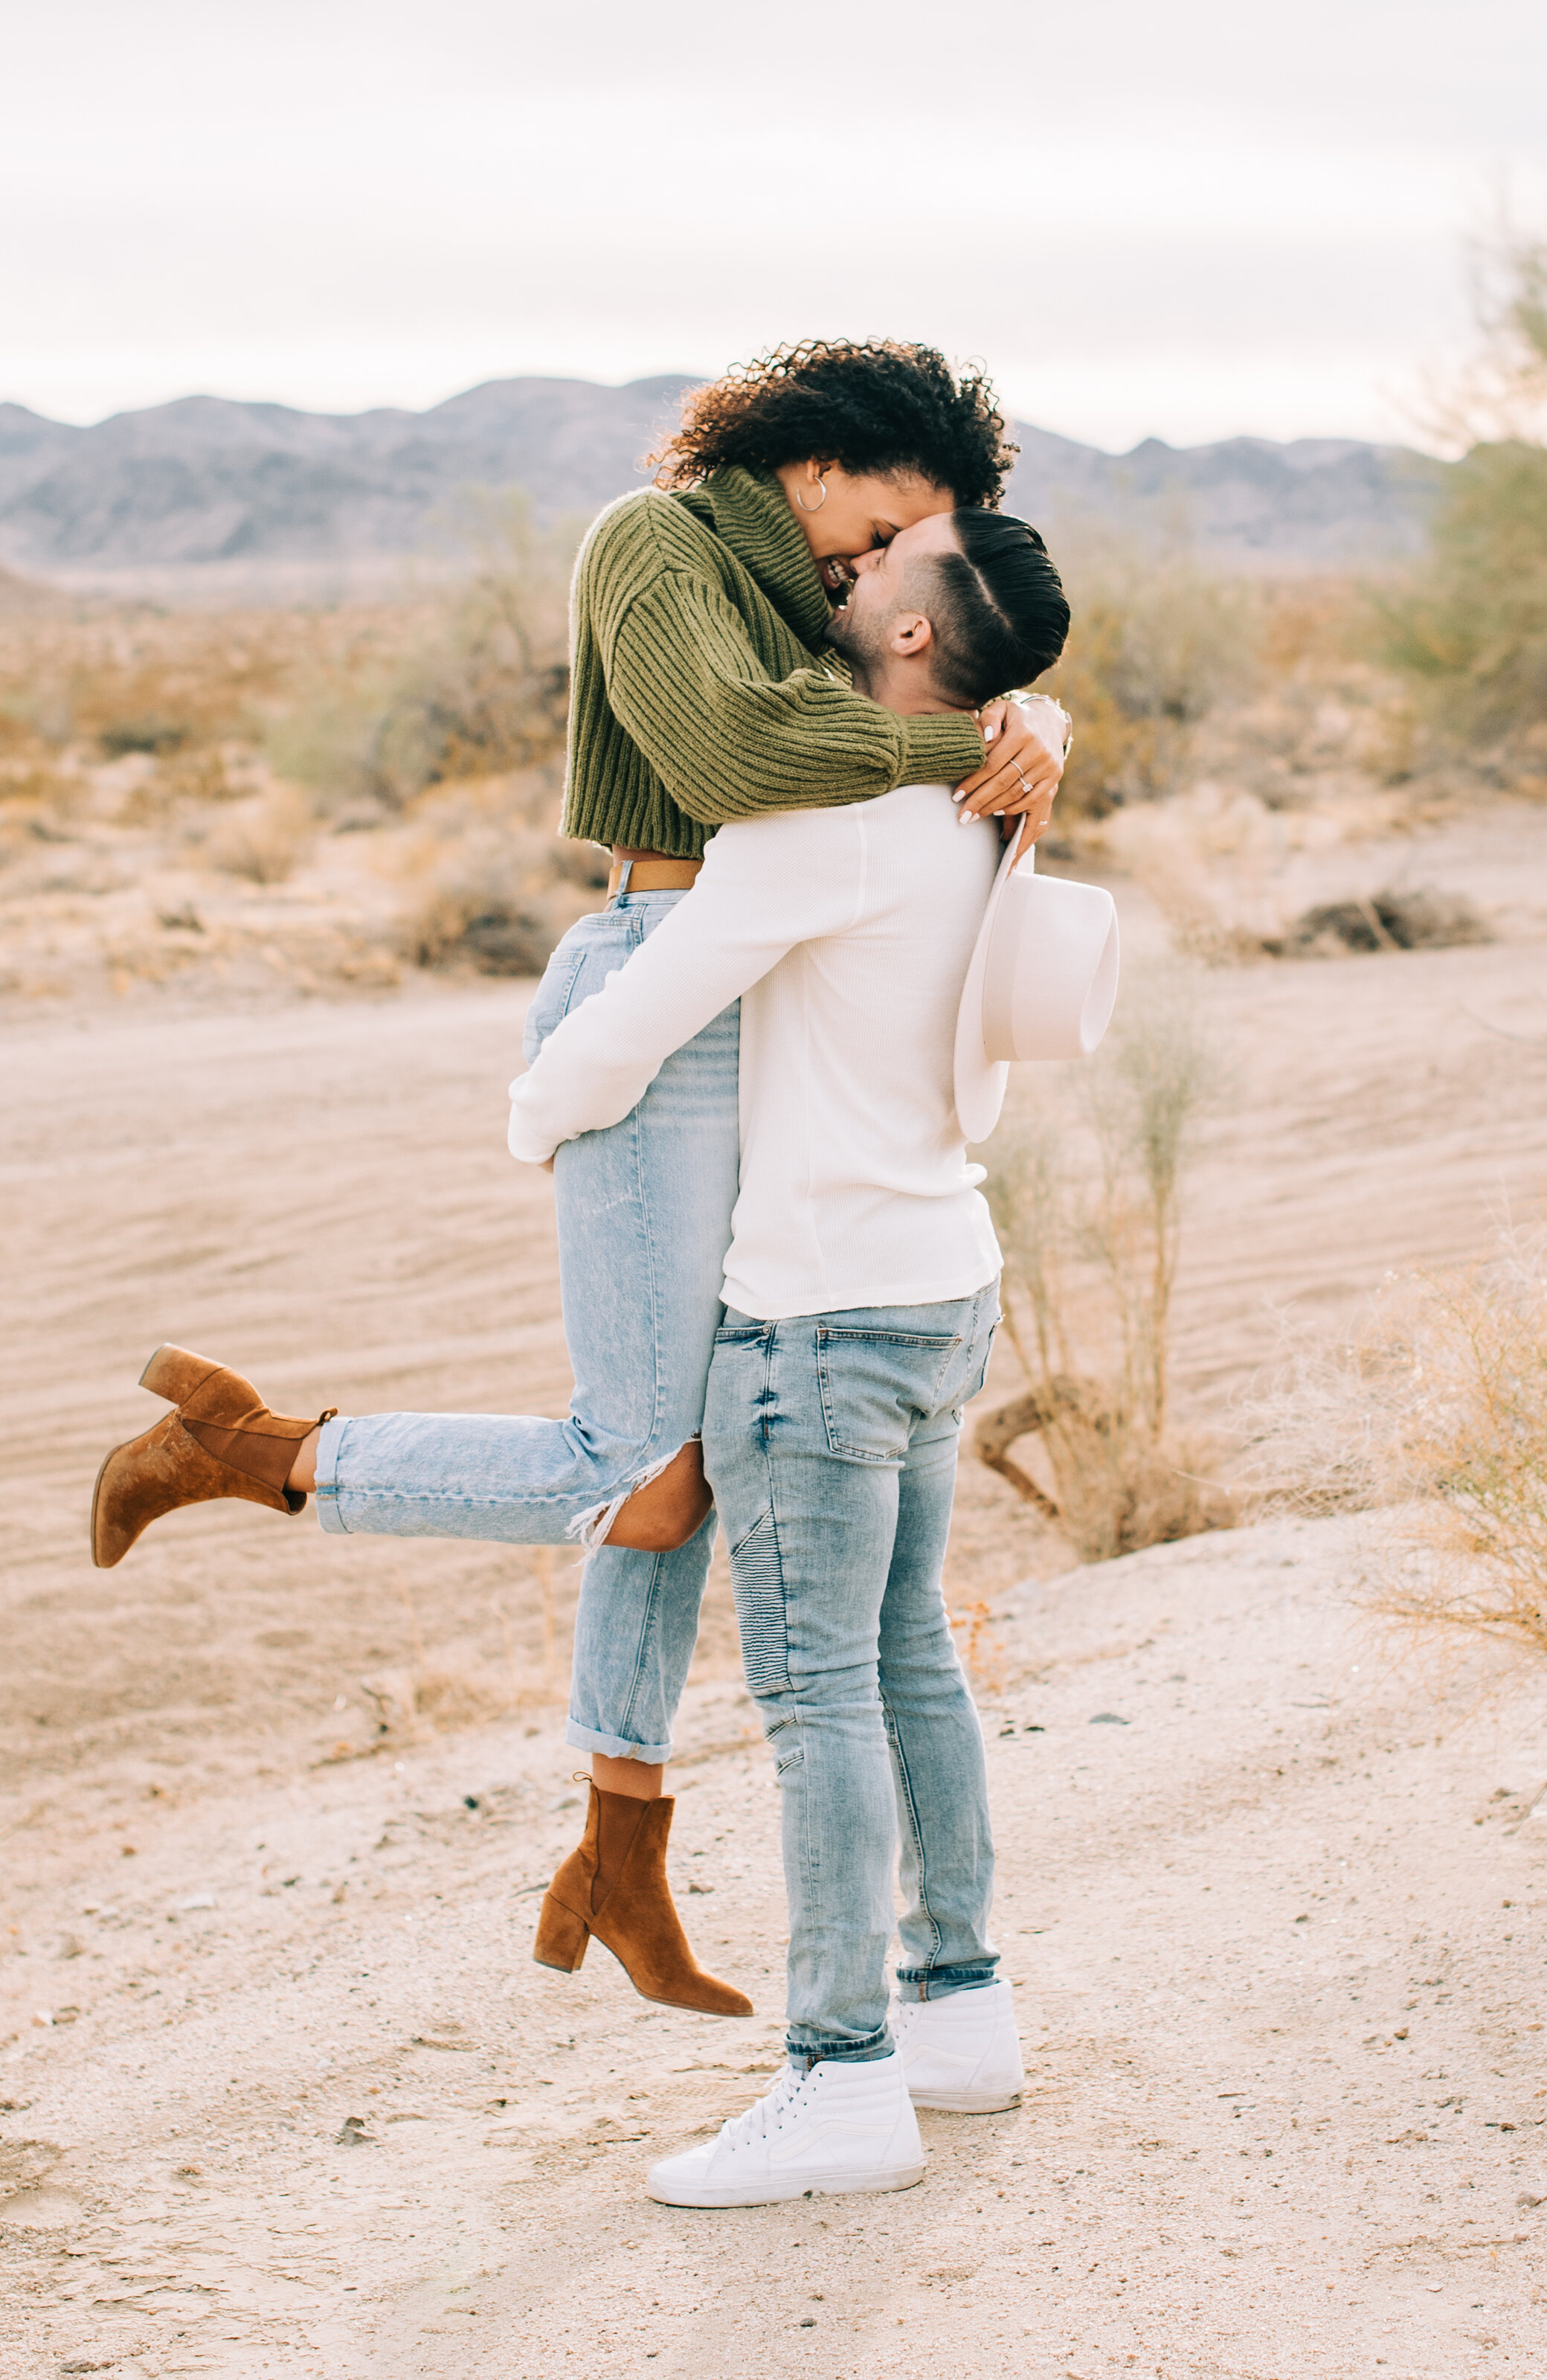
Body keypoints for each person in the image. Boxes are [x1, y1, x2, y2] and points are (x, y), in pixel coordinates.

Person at [89, 339, 1070, 2018]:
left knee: (687, 1457)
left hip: (756, 989)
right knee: (639, 1466)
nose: (892, 558)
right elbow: (742, 760)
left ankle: (620, 1850)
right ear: (827, 463)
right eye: (904, 518)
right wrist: (969, 743)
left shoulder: (827, 604)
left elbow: (920, 676)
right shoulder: (659, 543)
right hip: (657, 975)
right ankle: (250, 1452)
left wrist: (1022, 719)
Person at [497, 509, 1065, 2203]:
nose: (861, 559)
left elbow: (643, 1016)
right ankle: (957, 2011)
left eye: (896, 557)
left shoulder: (823, 817)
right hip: (939, 1284)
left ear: (911, 639)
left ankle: (838, 2084)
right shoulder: (986, 805)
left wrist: (535, 1116)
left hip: (813, 1320)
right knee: (908, 1663)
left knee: (819, 1691)